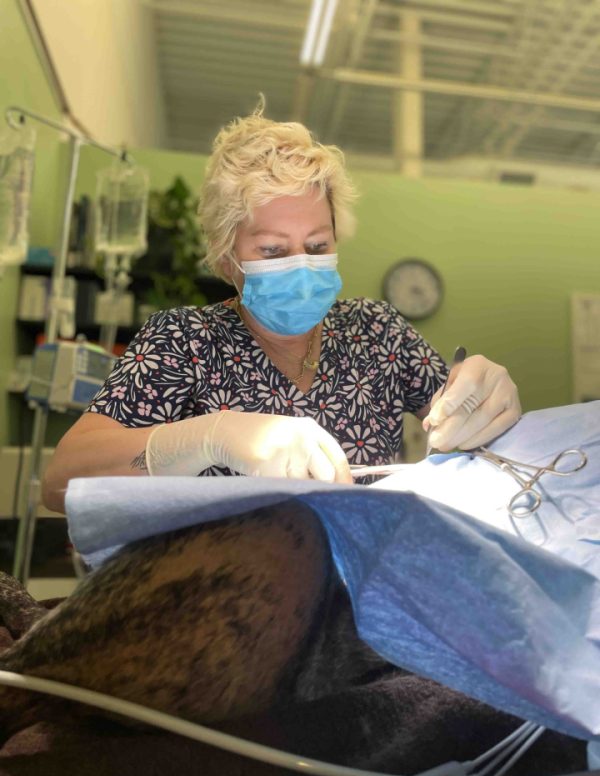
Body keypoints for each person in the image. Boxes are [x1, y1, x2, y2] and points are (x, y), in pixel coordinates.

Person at [42, 101, 521, 514]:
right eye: (272, 250)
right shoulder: (184, 342)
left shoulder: (376, 332)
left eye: (316, 246)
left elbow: (469, 427)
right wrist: (209, 437)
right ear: (227, 258)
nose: (301, 266)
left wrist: (484, 401)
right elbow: (61, 482)